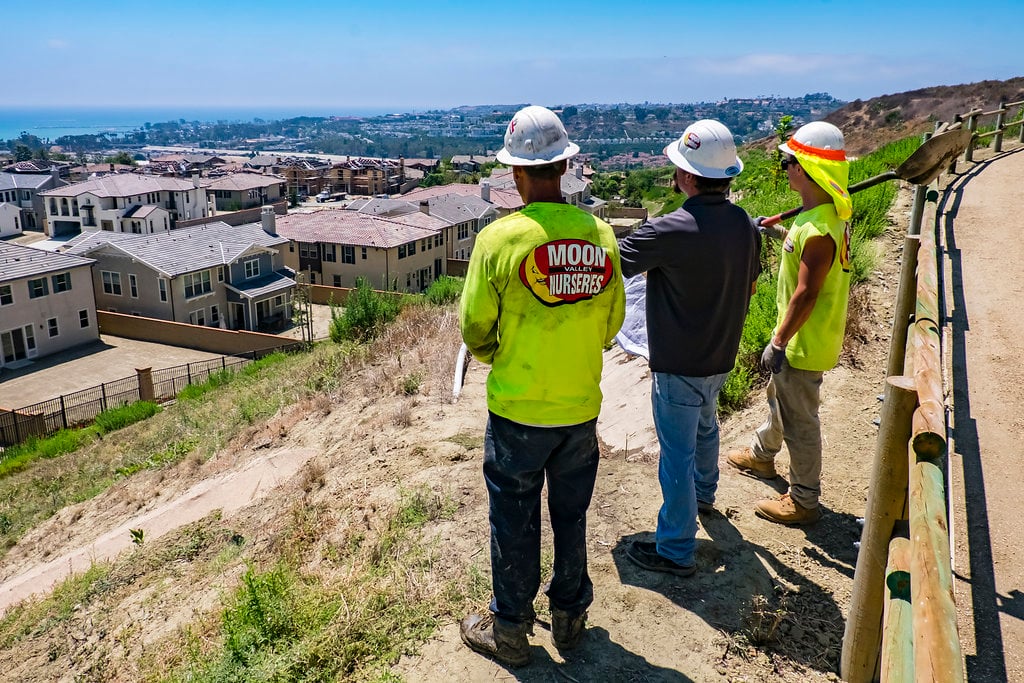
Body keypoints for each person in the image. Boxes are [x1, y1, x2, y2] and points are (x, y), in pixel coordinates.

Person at [458, 105, 625, 667]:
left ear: (515, 173)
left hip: (517, 411)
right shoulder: (600, 235)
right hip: (579, 408)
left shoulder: (498, 240)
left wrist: (498, 355)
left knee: (514, 517)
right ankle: (571, 618)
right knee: (571, 515)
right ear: (566, 166)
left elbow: (475, 328)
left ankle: (510, 630)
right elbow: (612, 326)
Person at [617, 120, 761, 577]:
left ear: (686, 176)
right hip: (721, 354)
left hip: (679, 361)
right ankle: (705, 495)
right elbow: (752, 285)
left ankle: (676, 548)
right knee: (705, 427)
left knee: (675, 451)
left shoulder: (670, 228)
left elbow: (613, 259)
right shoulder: (744, 224)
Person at [726, 120, 853, 526]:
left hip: (801, 339)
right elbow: (808, 256)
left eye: (787, 162)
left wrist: (779, 341)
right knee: (780, 399)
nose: (785, 169)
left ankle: (803, 500)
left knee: (800, 420)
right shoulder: (824, 216)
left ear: (805, 168)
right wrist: (777, 230)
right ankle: (762, 456)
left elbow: (806, 293)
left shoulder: (817, 230)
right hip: (807, 335)